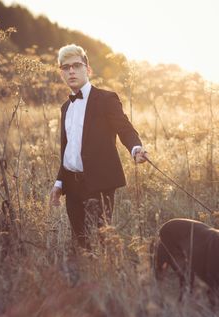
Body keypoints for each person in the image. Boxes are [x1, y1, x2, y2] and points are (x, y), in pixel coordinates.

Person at [50, 44, 147, 250]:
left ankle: (108, 278)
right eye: (65, 67)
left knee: (102, 241)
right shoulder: (65, 108)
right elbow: (69, 149)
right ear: (61, 73)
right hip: (72, 185)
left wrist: (136, 148)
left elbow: (125, 129)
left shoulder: (106, 99)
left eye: (76, 65)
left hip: (99, 183)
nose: (71, 71)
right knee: (81, 243)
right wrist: (59, 182)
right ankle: (86, 279)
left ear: (88, 69)